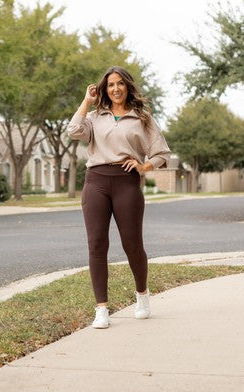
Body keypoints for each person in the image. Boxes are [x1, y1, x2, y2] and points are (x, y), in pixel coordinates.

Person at [67, 66, 171, 329]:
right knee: (97, 244)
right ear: (105, 88)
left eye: (120, 84)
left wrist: (143, 166)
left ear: (128, 87)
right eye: (111, 84)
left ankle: (142, 295)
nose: (116, 89)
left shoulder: (142, 117)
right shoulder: (94, 116)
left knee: (132, 244)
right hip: (96, 182)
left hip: (127, 183)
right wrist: (86, 101)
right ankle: (101, 308)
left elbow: (161, 153)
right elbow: (73, 130)